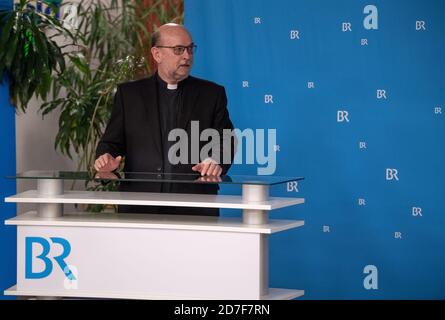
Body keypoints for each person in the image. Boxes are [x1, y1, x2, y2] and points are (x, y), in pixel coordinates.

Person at [94, 23, 235, 216]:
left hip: (195, 205)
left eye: (190, 48)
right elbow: (110, 143)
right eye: (178, 50)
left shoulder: (212, 94)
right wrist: (106, 159)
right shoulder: (129, 95)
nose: (187, 56)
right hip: (139, 206)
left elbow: (225, 139)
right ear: (157, 54)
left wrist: (214, 160)